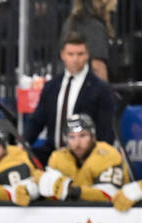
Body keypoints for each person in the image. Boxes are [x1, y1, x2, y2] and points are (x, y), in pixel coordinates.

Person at [22, 32, 116, 165]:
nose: (75, 59)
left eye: (80, 54)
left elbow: (105, 131)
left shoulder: (101, 89)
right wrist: (23, 144)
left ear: (87, 55)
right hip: (52, 153)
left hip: (85, 158)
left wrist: (96, 159)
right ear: (62, 55)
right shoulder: (51, 86)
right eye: (70, 54)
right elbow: (37, 120)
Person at [37, 114, 125, 204]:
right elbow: (49, 192)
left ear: (93, 136)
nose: (77, 143)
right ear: (66, 140)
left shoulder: (108, 155)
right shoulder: (58, 157)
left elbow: (111, 194)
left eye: (83, 135)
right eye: (72, 137)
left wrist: (71, 191)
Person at [61, 0, 115, 81]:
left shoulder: (70, 22)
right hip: (89, 86)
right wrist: (105, 92)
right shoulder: (94, 26)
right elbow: (97, 66)